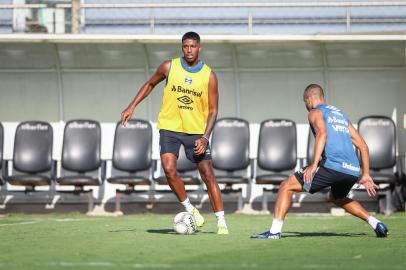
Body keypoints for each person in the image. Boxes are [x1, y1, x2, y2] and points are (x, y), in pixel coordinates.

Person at [121, 31, 228, 234]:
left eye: (193, 46)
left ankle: (221, 221)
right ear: (182, 47)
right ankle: (190, 209)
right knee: (169, 169)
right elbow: (150, 84)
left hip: (196, 132)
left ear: (199, 48)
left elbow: (214, 110)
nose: (189, 50)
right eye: (185, 46)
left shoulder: (209, 75)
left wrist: (205, 137)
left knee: (208, 175)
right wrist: (131, 106)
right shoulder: (169, 67)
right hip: (169, 127)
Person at [251, 84, 388, 239]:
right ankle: (376, 223)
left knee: (286, 187)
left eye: (305, 102)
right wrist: (366, 174)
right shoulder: (341, 116)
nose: (306, 106)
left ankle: (274, 232)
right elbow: (363, 146)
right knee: (337, 198)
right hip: (352, 170)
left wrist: (313, 165)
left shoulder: (315, 112)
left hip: (332, 166)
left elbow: (322, 133)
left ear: (309, 99)